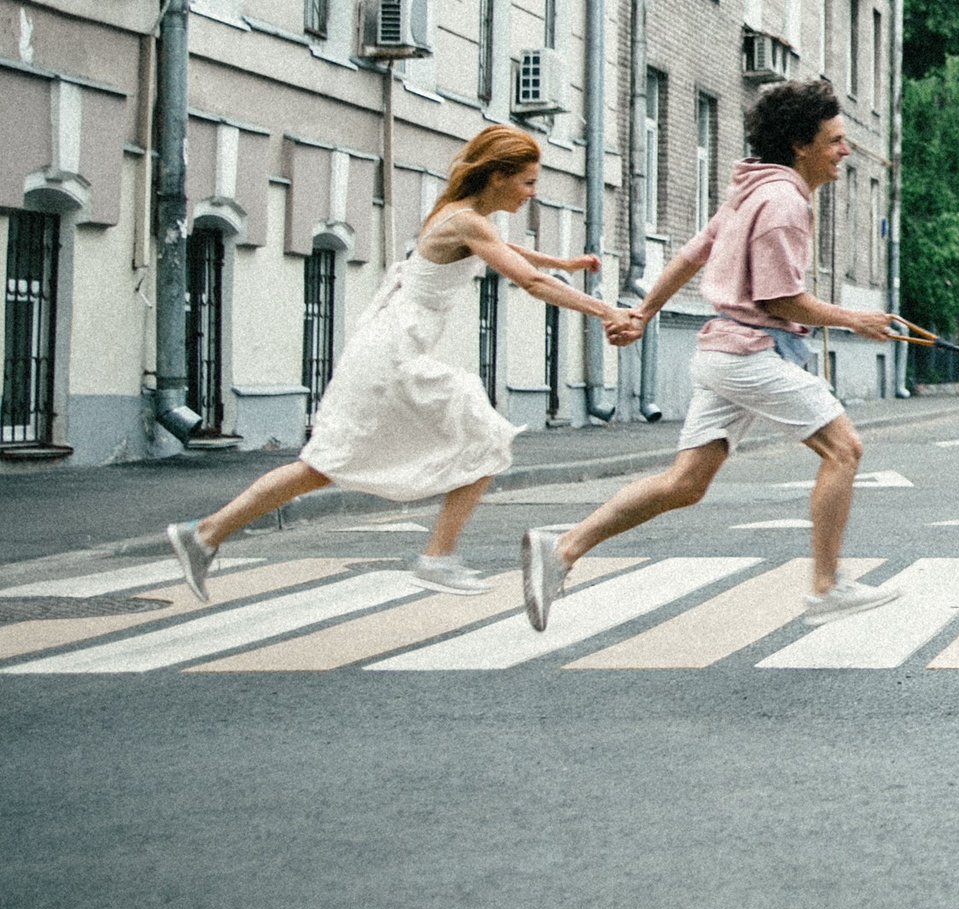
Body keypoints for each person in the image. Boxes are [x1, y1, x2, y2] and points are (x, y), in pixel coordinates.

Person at [165, 126, 637, 600]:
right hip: (394, 354)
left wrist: (565, 263)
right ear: (496, 176)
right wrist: (606, 311)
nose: (533, 194)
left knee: (323, 465)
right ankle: (437, 557)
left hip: (388, 346)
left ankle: (203, 534)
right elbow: (530, 282)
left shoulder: (460, 215)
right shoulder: (469, 221)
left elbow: (503, 249)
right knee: (485, 437)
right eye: (529, 182)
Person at [521, 80, 901, 630]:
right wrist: (855, 319)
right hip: (751, 353)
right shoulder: (783, 200)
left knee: (685, 484)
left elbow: (689, 255)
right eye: (836, 140)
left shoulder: (750, 192)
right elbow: (778, 298)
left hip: (724, 351)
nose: (845, 151)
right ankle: (827, 586)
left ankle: (559, 551)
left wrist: (643, 314)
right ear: (800, 145)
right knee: (844, 449)